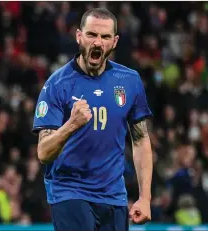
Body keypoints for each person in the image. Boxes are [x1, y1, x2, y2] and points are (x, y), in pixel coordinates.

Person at [32, 8, 153, 231]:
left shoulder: (129, 81)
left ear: (115, 41)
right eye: (92, 35)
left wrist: (145, 197)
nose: (98, 42)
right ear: (79, 36)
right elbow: (43, 152)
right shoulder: (57, 84)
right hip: (69, 191)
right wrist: (71, 125)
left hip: (113, 195)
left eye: (105, 37)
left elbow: (141, 140)